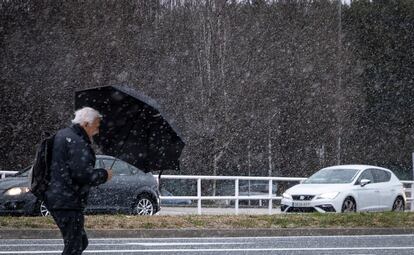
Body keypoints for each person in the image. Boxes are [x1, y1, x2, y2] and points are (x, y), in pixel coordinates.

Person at [45, 107, 113, 255]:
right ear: (86, 123)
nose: (98, 130)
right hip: (68, 201)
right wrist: (104, 174)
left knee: (80, 242)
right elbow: (82, 175)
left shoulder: (64, 135)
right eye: (96, 125)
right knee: (74, 247)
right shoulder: (77, 141)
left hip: (59, 197)